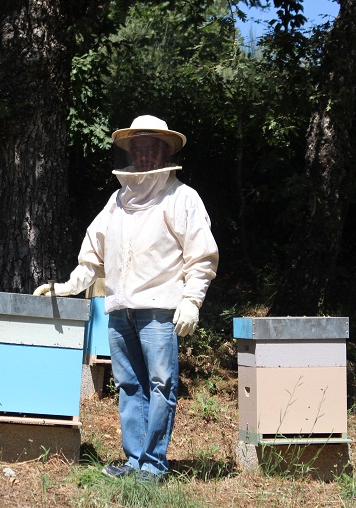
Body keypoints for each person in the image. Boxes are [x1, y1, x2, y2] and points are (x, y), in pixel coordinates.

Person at [34, 115, 219, 481]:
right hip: (119, 308)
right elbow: (93, 254)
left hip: (159, 310)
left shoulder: (182, 198)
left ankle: (153, 465)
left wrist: (191, 301)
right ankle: (134, 461)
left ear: (165, 153)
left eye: (151, 150)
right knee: (130, 385)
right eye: (138, 150)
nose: (144, 156)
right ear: (129, 154)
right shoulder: (117, 201)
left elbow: (201, 256)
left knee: (161, 384)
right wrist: (68, 287)